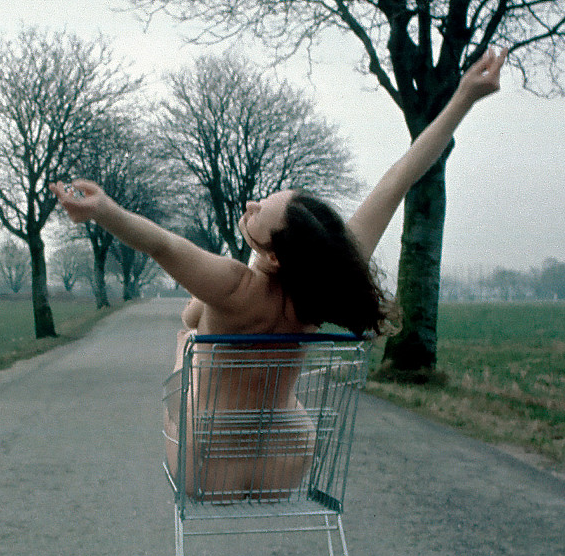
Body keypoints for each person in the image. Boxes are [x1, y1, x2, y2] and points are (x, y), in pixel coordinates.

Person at [52, 47, 508, 500]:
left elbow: (162, 243)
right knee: (229, 355)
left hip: (206, 464)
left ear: (273, 258)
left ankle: (191, 353)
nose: (249, 206)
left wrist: (105, 211)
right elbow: (399, 178)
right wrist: (463, 97)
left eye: (257, 213)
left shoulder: (234, 286)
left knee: (187, 339)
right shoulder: (325, 284)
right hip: (285, 459)